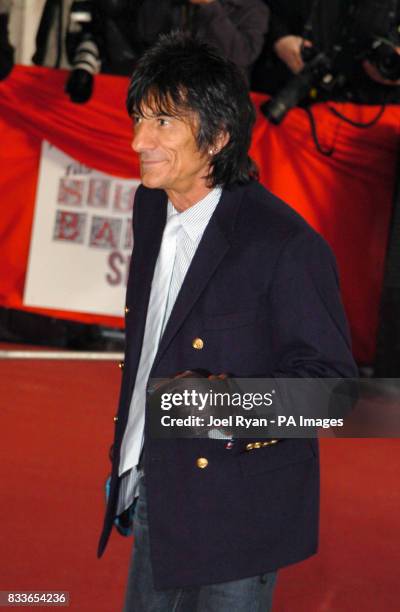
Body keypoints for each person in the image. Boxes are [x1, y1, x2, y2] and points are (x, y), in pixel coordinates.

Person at [98, 31, 357, 611]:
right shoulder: (150, 203)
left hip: (237, 515)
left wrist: (221, 405)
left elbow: (338, 393)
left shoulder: (285, 245)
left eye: (163, 123)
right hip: (155, 488)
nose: (140, 140)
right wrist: (126, 456)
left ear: (217, 137)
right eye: (139, 118)